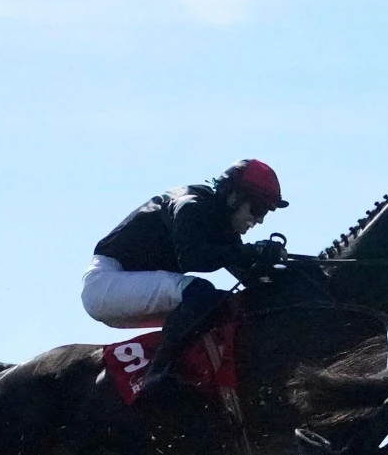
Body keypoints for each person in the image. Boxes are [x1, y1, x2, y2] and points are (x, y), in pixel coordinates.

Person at [84, 159, 290, 395]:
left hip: (128, 285)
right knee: (200, 292)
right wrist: (250, 251)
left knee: (224, 304)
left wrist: (276, 267)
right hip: (106, 283)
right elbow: (193, 258)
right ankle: (156, 375)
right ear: (234, 196)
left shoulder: (222, 222)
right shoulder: (190, 205)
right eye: (259, 209)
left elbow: (247, 276)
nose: (260, 220)